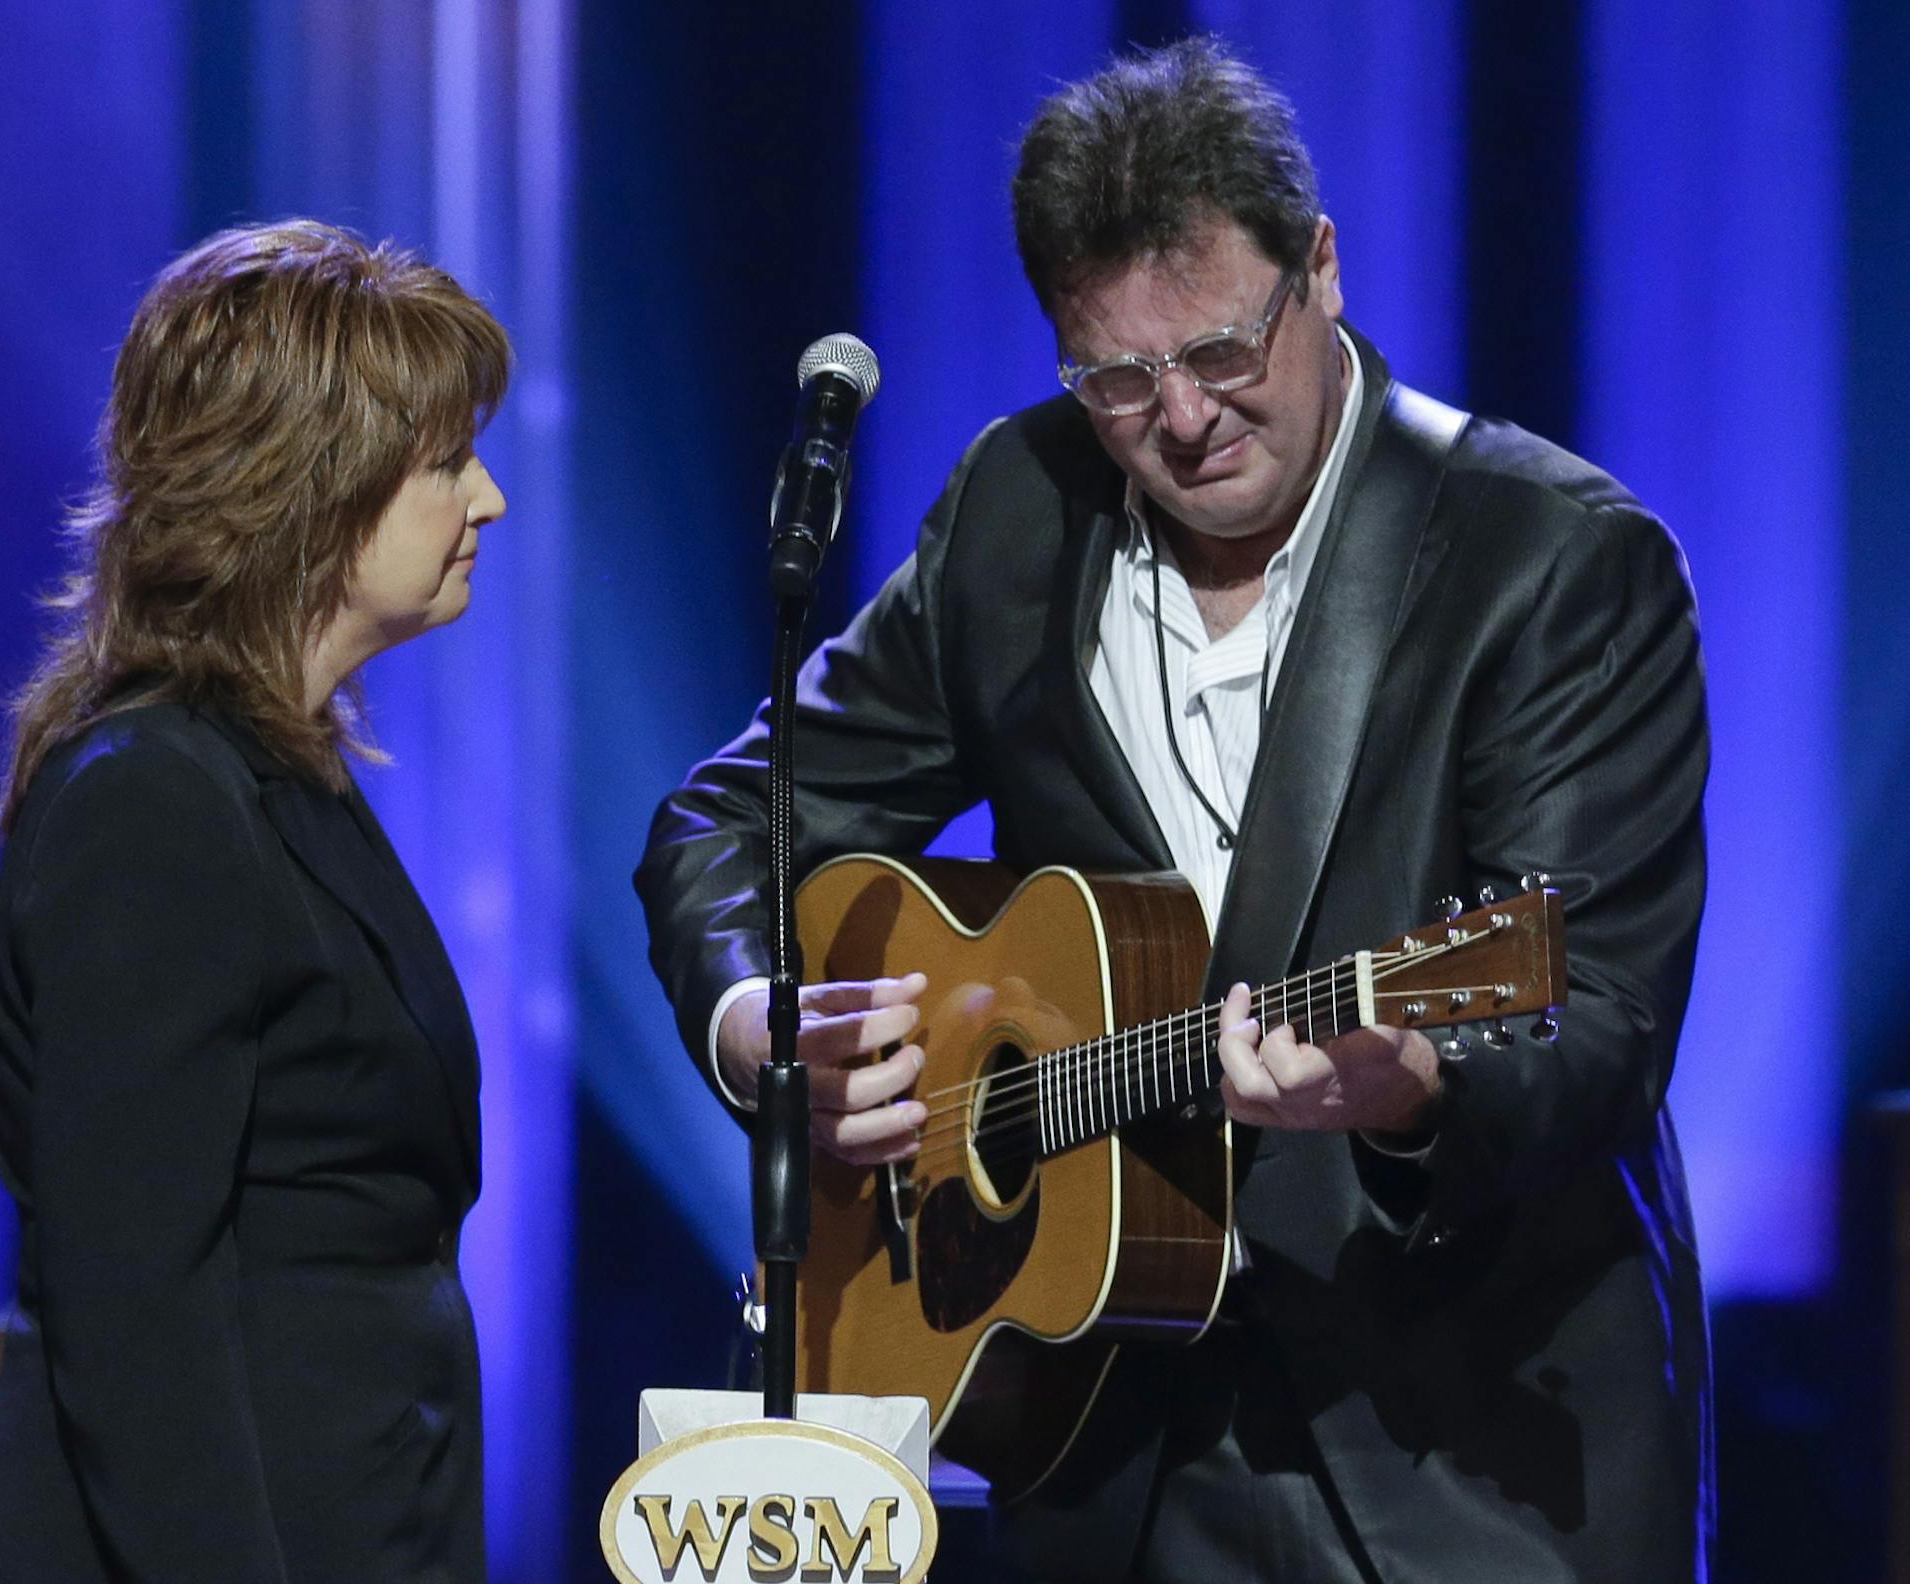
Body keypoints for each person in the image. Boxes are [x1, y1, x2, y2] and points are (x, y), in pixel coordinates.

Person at [635, 36, 1710, 1584]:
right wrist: (760, 1028)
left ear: (1320, 270)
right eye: (1118, 380)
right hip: (1099, 1438)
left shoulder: (1548, 562)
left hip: (1464, 1460)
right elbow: (732, 823)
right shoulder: (1022, 507)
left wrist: (1414, 1082)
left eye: (1219, 352)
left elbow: (1594, 1014)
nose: (1181, 418)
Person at [0, 220, 510, 1583]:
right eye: (445, 463)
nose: (487, 499)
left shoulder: (276, 778)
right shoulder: (154, 803)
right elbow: (133, 1311)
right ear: (313, 492)